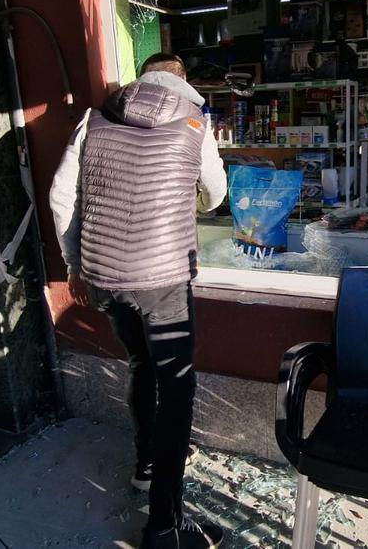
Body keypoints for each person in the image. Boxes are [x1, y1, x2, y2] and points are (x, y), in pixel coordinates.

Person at [49, 53, 227, 548]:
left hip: (106, 277)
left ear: (139, 80)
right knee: (176, 391)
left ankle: (146, 467)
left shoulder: (94, 118)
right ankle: (165, 526)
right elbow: (215, 194)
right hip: (163, 279)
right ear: (182, 85)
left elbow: (63, 198)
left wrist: (75, 266)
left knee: (139, 365)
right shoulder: (196, 123)